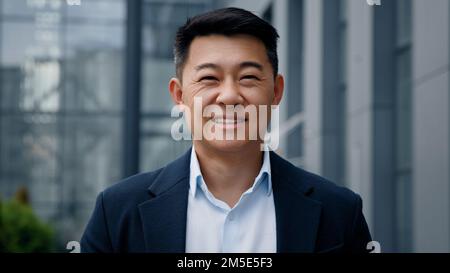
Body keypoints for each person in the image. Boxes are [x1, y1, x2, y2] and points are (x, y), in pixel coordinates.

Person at [80, 7, 372, 253]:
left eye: (248, 77)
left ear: (276, 91)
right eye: (209, 78)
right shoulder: (117, 213)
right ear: (179, 95)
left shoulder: (339, 212)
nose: (230, 96)